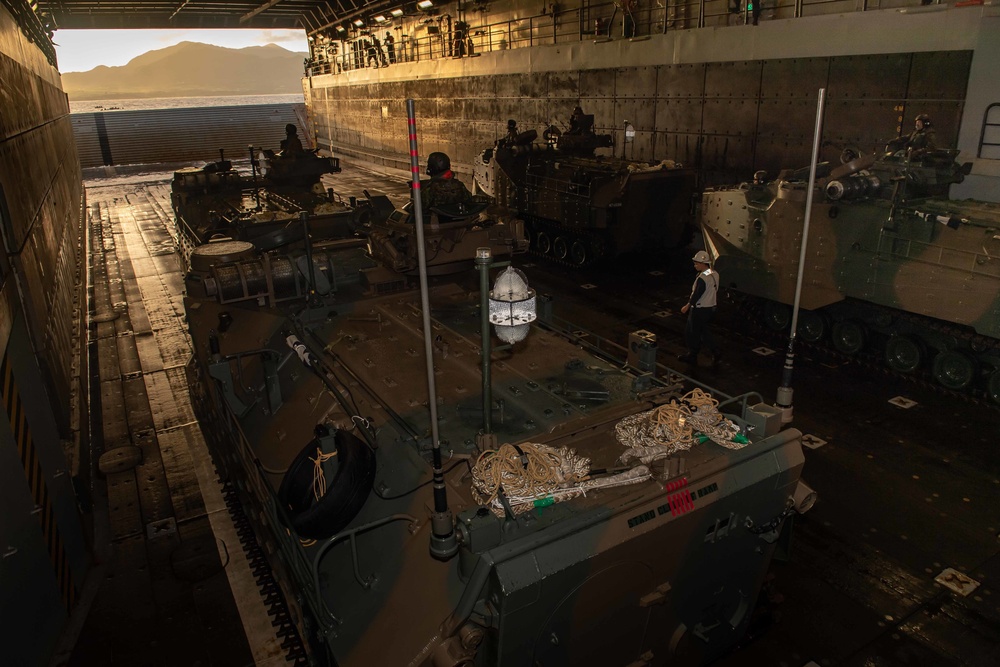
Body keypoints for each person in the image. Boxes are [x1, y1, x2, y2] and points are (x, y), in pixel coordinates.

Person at [678, 250, 720, 366]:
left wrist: (687, 306)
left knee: (691, 332)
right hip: (711, 307)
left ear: (703, 263)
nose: (695, 265)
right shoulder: (714, 273)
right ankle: (715, 351)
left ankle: (692, 355)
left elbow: (697, 294)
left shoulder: (702, 278)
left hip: (700, 309)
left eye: (696, 263)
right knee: (703, 331)